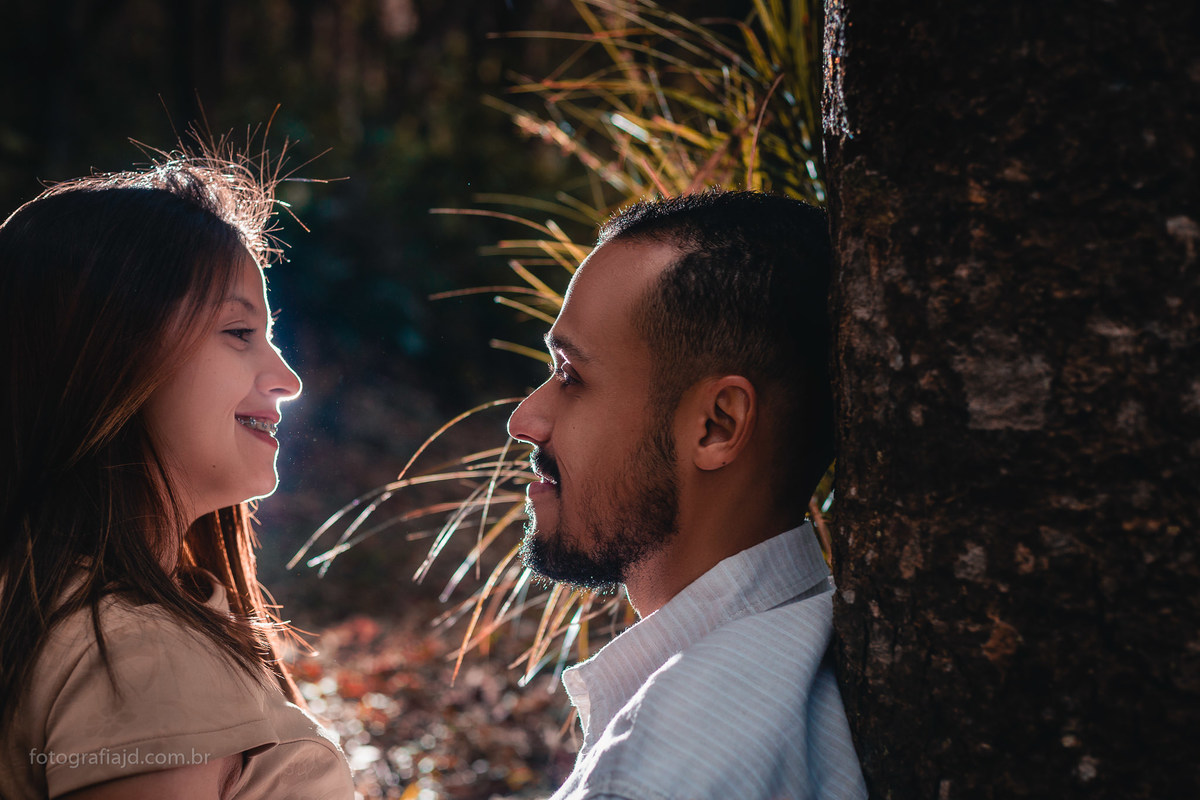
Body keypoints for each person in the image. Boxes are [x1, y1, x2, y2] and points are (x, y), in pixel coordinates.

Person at [0, 154, 354, 799]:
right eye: (239, 331)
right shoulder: (136, 658)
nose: (288, 381)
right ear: (107, 357)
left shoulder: (61, 615)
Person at [507, 189, 868, 799]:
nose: (524, 419)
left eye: (571, 377)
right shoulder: (815, 657)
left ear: (716, 426)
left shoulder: (650, 777)